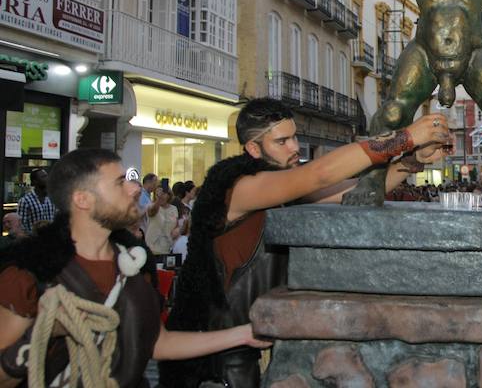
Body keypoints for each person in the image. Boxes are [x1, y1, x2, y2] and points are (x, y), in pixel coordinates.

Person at [161, 98, 449, 388]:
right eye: (282, 141)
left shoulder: (280, 187)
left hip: (257, 350)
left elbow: (360, 191)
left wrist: (410, 162)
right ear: (253, 148)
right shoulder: (240, 187)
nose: (295, 147)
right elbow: (318, 174)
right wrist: (404, 138)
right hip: (221, 367)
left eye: (294, 137)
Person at [0, 149, 271, 387]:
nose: (135, 189)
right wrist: (42, 332)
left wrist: (244, 334)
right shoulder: (31, 274)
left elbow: (157, 343)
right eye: (120, 183)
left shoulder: (134, 265)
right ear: (82, 199)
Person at [16, 168, 56, 235]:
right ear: (35, 181)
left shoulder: (52, 199)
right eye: (43, 177)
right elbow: (21, 226)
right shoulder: (25, 201)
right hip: (33, 241)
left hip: (50, 240)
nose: (47, 179)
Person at [145, 185, 179, 255]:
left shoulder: (174, 209)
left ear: (168, 195)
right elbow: (152, 211)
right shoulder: (151, 206)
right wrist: (159, 200)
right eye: (157, 194)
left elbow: (176, 225)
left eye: (163, 194)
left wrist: (177, 230)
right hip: (152, 249)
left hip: (167, 247)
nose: (161, 196)